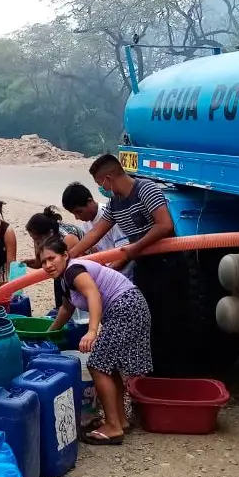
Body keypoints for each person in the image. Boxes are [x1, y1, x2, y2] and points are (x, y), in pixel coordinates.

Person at [69, 154, 192, 377]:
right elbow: (96, 232)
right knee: (150, 323)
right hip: (144, 267)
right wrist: (70, 255)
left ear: (108, 178)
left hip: (168, 265)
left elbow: (165, 225)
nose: (101, 190)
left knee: (172, 322)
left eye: (100, 184)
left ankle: (177, 378)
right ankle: (154, 377)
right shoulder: (116, 203)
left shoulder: (146, 189)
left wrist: (135, 248)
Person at [41, 237, 151, 446]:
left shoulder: (74, 270)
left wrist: (92, 331)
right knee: (109, 367)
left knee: (97, 365)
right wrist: (47, 333)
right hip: (129, 307)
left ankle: (113, 427)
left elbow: (93, 294)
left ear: (65, 255)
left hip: (126, 308)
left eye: (51, 258)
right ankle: (120, 420)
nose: (47, 265)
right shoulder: (64, 279)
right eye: (43, 262)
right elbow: (66, 309)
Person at [22, 206, 85, 309]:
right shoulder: (41, 239)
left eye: (37, 240)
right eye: (33, 239)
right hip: (62, 265)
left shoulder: (67, 238)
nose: (36, 243)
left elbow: (76, 265)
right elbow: (39, 263)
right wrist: (26, 263)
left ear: (50, 233)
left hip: (81, 264)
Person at [61, 181, 130, 272]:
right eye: (74, 213)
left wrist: (106, 273)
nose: (77, 217)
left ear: (90, 201)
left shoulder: (111, 216)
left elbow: (124, 253)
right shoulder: (87, 221)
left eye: (79, 212)